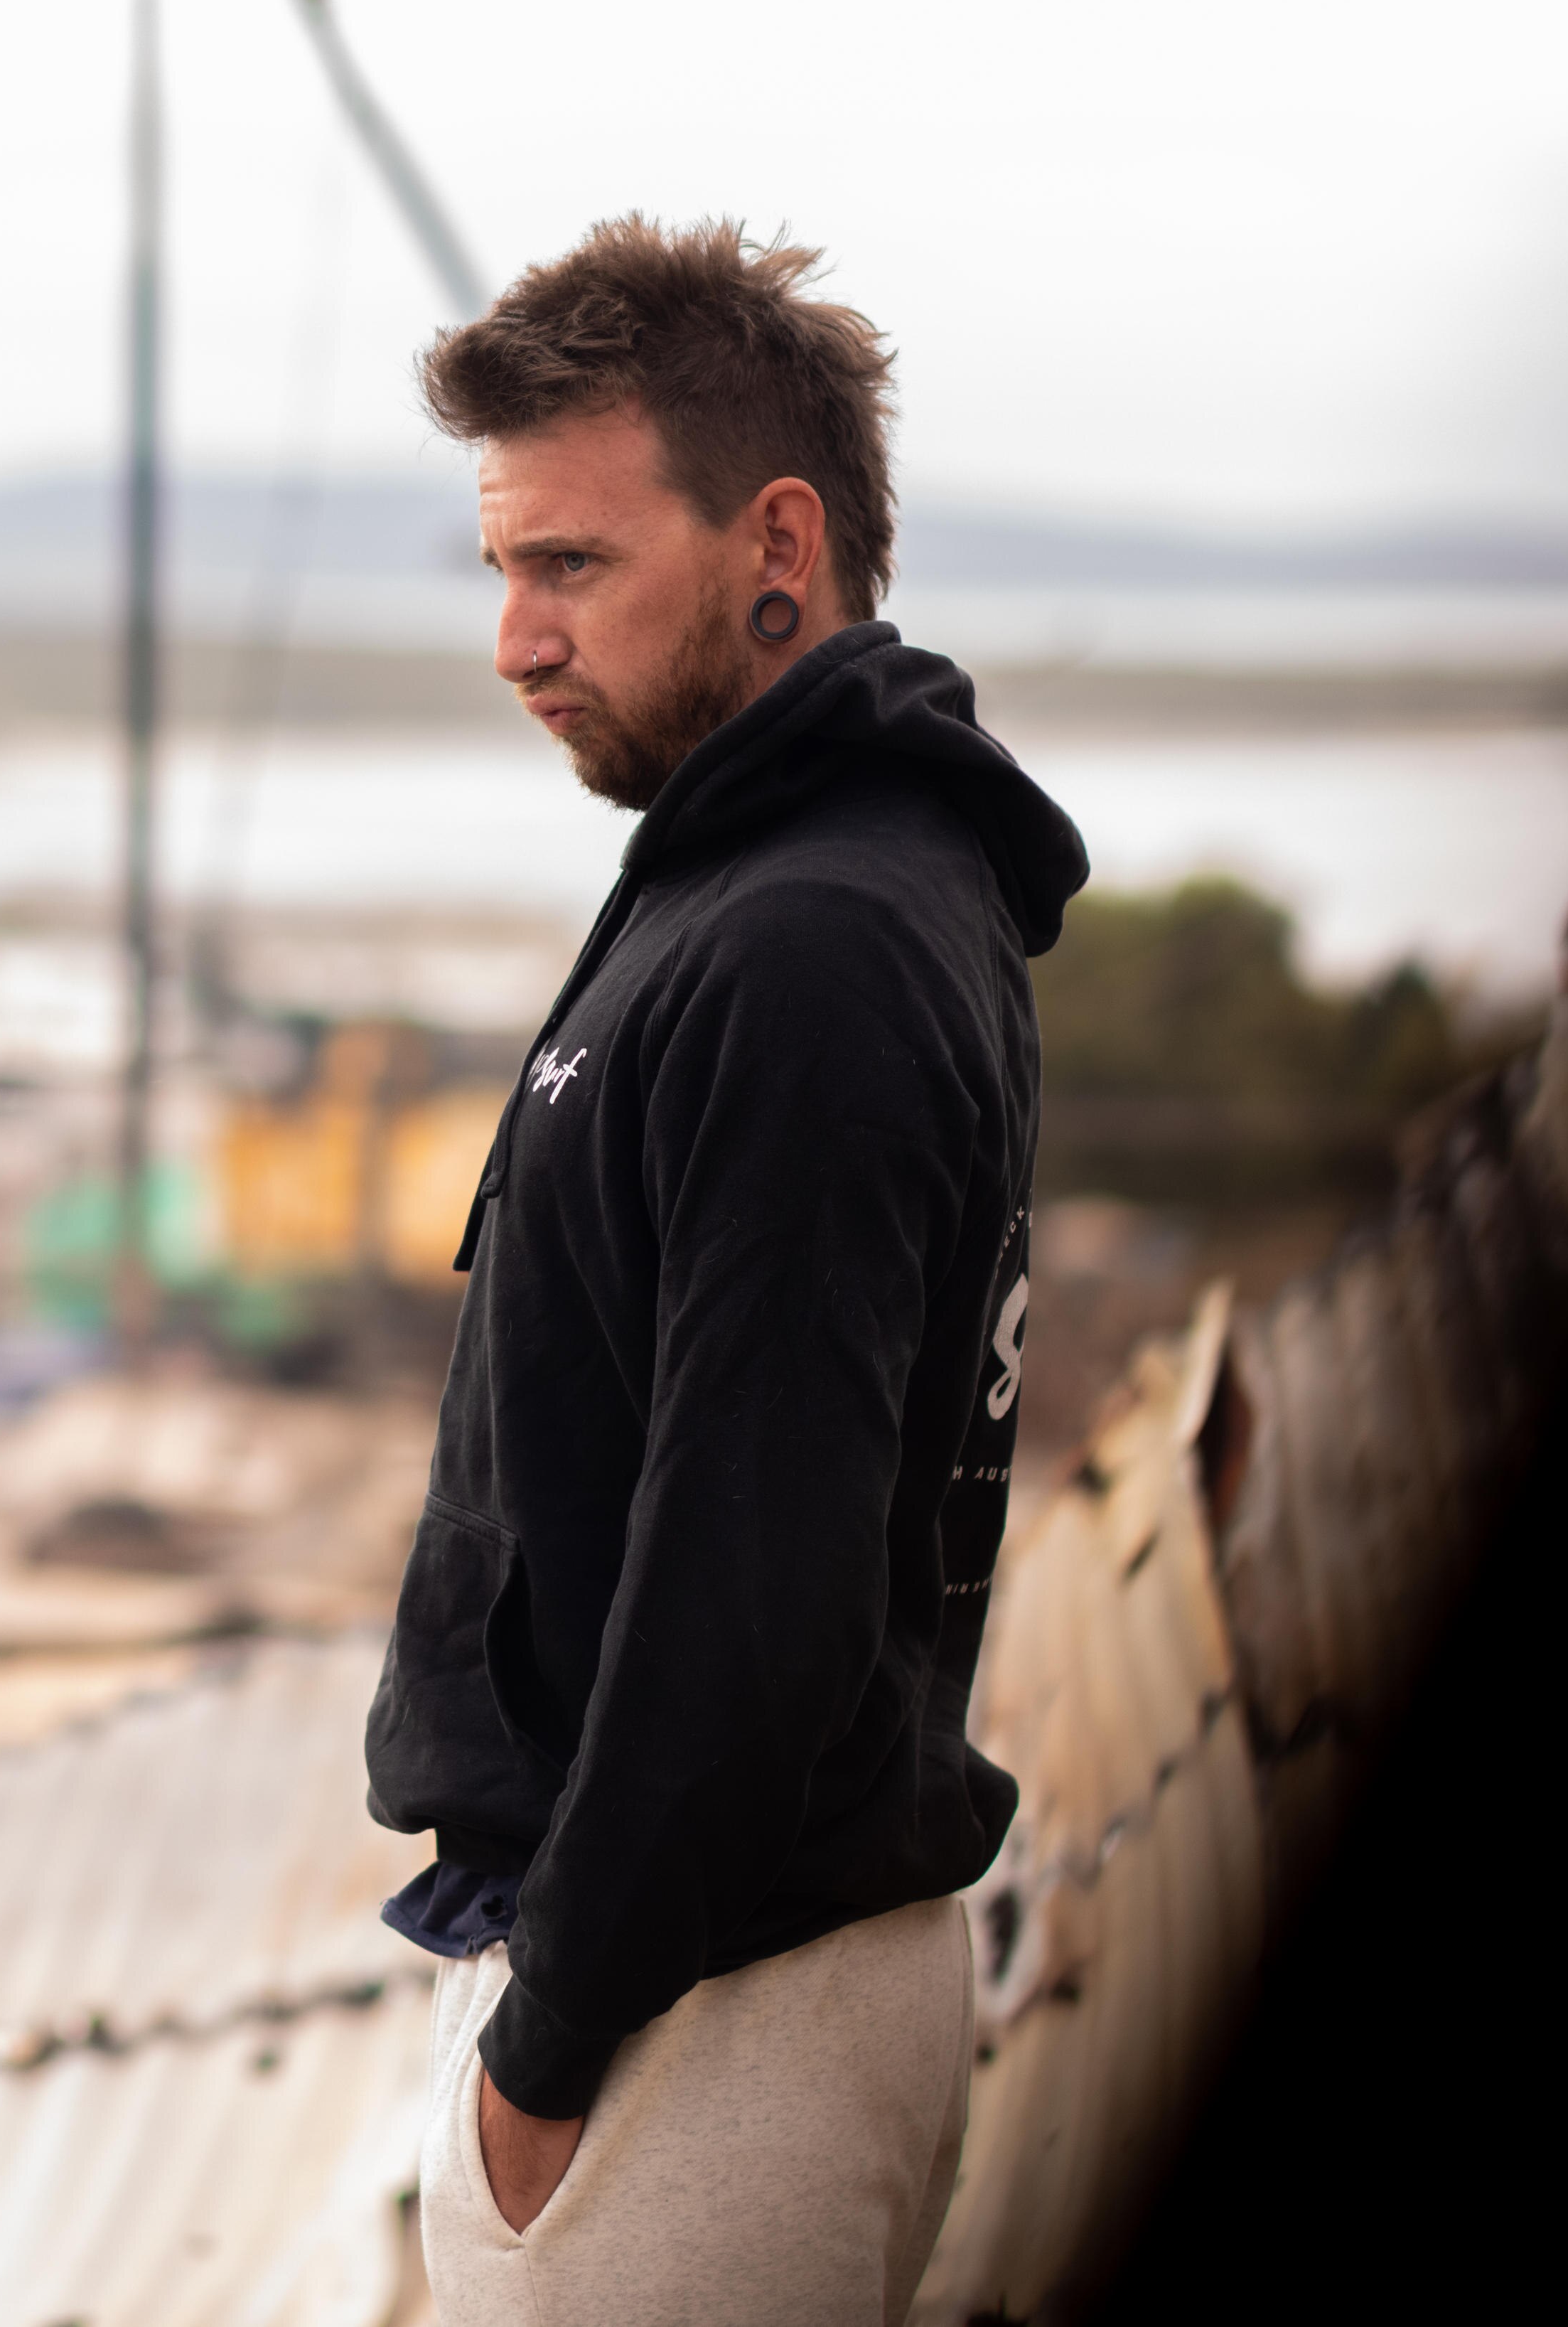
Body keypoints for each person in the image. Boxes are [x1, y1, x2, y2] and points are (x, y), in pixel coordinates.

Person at [365, 214, 1089, 2326]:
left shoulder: (812, 945)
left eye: (569, 565)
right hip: (704, 1994)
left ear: (779, 540)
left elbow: (752, 1572)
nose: (514, 638)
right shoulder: (776, 880)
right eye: (499, 568)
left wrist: (552, 2043)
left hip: (708, 2021)